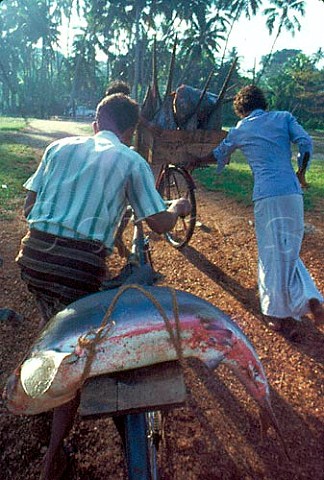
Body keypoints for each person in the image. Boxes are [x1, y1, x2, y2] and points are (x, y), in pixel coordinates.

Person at [16, 93, 190, 480]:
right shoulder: (130, 160)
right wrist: (177, 209)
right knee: (73, 359)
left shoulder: (58, 147)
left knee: (55, 321)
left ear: (96, 120)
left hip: (33, 260)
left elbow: (30, 209)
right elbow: (159, 226)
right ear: (129, 132)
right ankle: (53, 457)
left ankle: (43, 377)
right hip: (75, 269)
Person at [185, 84, 323, 339]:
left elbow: (219, 153)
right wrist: (301, 173)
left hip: (267, 196)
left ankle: (278, 316)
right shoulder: (284, 118)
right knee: (288, 250)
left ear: (241, 109)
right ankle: (310, 297)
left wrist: (196, 161)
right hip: (293, 194)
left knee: (271, 254)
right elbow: (305, 144)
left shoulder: (242, 128)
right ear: (263, 103)